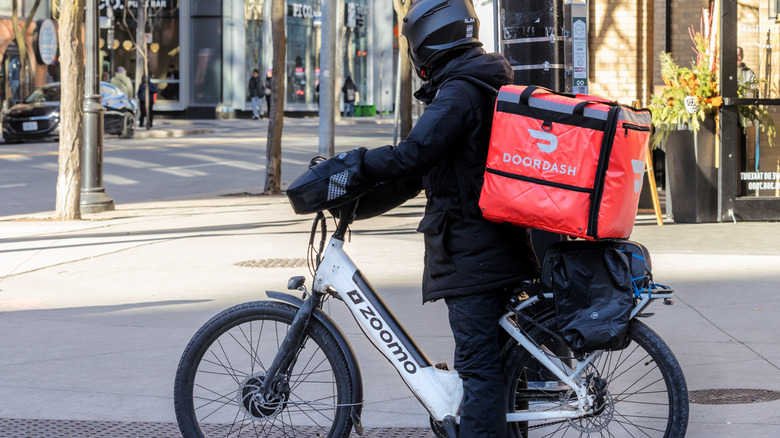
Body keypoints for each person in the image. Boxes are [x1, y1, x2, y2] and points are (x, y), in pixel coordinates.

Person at [356, 0, 538, 435]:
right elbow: (426, 170)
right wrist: (358, 202)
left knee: (479, 370)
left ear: (428, 40)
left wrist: (355, 164)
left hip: (473, 253)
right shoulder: (479, 81)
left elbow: (414, 153)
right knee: (500, 367)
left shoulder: (459, 91)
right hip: (495, 245)